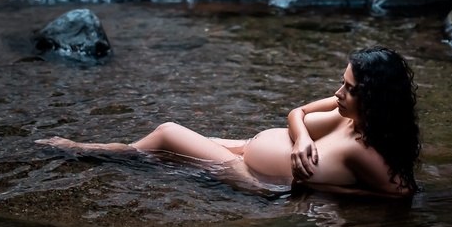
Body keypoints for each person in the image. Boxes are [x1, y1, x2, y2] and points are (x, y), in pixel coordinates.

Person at [36, 46, 421, 199]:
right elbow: (296, 114)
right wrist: (302, 140)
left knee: (168, 133)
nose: (338, 92)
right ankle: (113, 155)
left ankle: (87, 153)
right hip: (246, 149)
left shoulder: (364, 151)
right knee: (167, 146)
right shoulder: (344, 113)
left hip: (255, 179)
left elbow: (400, 197)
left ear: (374, 100)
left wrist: (309, 192)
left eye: (349, 88)